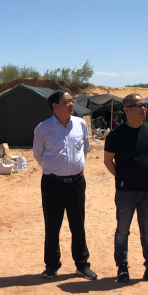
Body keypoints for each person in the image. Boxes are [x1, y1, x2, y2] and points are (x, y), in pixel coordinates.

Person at [33, 91, 97, 280]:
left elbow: (85, 148)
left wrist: (73, 167)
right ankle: (52, 265)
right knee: (52, 225)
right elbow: (37, 154)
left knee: (78, 224)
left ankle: (82, 265)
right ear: (55, 106)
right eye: (67, 101)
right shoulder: (43, 128)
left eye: (72, 101)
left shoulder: (80, 124)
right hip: (52, 184)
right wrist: (55, 169)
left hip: (77, 183)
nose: (71, 104)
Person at [104, 94, 148, 284]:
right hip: (125, 193)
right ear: (126, 110)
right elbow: (108, 160)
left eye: (144, 105)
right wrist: (123, 177)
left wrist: (143, 174)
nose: (143, 108)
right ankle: (122, 267)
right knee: (122, 232)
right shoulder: (115, 134)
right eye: (138, 105)